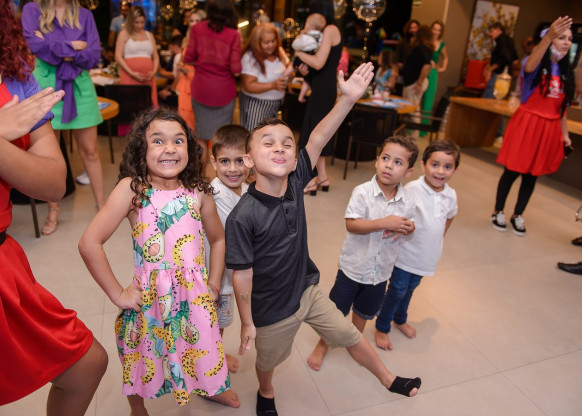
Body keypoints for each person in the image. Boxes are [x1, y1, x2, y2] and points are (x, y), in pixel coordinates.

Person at [225, 62, 421, 416]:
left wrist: (347, 100)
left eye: (287, 143)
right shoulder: (243, 216)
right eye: (268, 143)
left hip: (307, 289)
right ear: (248, 160)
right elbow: (241, 273)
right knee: (268, 361)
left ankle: (388, 378)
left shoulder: (296, 180)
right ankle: (266, 391)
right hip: (271, 308)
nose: (280, 147)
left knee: (348, 334)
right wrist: (248, 321)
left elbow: (316, 138)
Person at [78, 108, 240, 414]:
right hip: (149, 301)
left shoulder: (198, 192)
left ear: (190, 149)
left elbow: (219, 240)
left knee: (201, 351)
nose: (170, 148)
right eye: (158, 141)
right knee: (139, 355)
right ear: (141, 148)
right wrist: (118, 294)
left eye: (178, 141)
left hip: (193, 300)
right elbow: (89, 243)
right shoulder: (133, 190)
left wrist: (214, 283)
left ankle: (210, 387)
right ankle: (137, 407)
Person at [0, 0, 108, 410]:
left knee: (87, 363)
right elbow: (44, 45)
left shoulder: (16, 78)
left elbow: (52, 181)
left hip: (3, 258)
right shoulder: (34, 14)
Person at [307, 135, 418, 370]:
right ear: (377, 160)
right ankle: (323, 344)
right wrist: (384, 222)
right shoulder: (362, 192)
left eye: (398, 162)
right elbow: (352, 224)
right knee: (337, 312)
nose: (389, 165)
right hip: (353, 268)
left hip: (380, 272)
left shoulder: (408, 200)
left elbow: (410, 224)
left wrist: (409, 227)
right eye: (385, 158)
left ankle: (354, 342)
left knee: (364, 312)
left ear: (409, 172)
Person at [22, 0, 105, 235]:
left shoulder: (85, 15)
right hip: (46, 86)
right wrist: (74, 47)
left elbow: (93, 55)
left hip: (80, 86)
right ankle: (53, 210)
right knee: (50, 154)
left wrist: (53, 46)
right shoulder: (32, 10)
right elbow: (36, 47)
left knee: (90, 151)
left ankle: (102, 207)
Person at [491, 16, 574, 236]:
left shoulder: (565, 71)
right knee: (512, 171)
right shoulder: (535, 63)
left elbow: (562, 110)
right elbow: (529, 66)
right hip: (527, 125)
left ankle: (518, 214)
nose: (566, 42)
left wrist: (565, 135)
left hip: (549, 128)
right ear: (549, 39)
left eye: (569, 39)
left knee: (531, 176)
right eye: (561, 37)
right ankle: (498, 211)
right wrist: (548, 37)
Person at [375, 140, 460, 350]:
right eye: (435, 164)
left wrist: (439, 236)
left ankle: (400, 319)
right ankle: (382, 326)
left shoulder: (450, 195)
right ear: (423, 165)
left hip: (426, 256)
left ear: (455, 170)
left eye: (447, 167)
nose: (440, 171)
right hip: (405, 254)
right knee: (397, 290)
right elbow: (397, 214)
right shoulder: (412, 189)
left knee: (410, 289)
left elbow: (450, 216)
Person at [205, 124, 251, 373]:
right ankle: (212, 369)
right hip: (214, 280)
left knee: (218, 325)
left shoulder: (248, 192)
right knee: (211, 326)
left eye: (239, 160)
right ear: (214, 162)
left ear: (250, 160)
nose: (233, 169)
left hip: (230, 279)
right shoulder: (212, 195)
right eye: (225, 161)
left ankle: (216, 355)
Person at [183, 0, 242, 169]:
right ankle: (221, 181)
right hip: (223, 92)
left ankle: (200, 179)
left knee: (201, 138)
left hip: (201, 89)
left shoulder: (197, 29)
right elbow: (236, 70)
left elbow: (188, 57)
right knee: (221, 141)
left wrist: (203, 62)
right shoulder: (233, 35)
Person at [296, 0, 343, 195]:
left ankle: (310, 181)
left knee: (313, 135)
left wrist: (298, 53)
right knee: (319, 132)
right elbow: (316, 67)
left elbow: (318, 62)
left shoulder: (330, 29)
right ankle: (322, 178)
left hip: (323, 90)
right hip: (322, 87)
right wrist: (304, 70)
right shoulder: (327, 31)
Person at [240, 23, 292, 131]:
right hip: (256, 104)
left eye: (273, 41)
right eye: (266, 42)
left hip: (276, 104)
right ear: (257, 43)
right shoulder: (250, 57)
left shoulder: (279, 52)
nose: (271, 45)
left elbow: (289, 69)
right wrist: (273, 85)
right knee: (255, 134)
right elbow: (248, 85)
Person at [115, 5, 159, 108]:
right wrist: (132, 73)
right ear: (131, 21)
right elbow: (117, 56)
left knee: (148, 104)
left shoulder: (149, 35)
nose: (140, 25)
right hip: (129, 75)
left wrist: (153, 72)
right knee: (131, 105)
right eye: (137, 22)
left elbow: (156, 57)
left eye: (142, 22)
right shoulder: (124, 34)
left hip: (148, 77)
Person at [174, 9, 206, 130]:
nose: (194, 24)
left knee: (198, 121)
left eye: (197, 21)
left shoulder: (208, 41)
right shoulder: (186, 40)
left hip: (199, 82)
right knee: (184, 118)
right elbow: (183, 61)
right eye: (191, 21)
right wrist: (180, 66)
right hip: (185, 81)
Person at [401, 24, 434, 139]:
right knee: (408, 110)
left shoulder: (422, 48)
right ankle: (405, 137)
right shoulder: (426, 48)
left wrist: (419, 83)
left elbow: (427, 66)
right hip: (412, 82)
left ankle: (413, 139)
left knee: (413, 111)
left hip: (414, 83)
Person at [291, 13, 325, 103]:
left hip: (303, 58)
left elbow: (295, 45)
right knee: (307, 80)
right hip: (312, 61)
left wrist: (299, 37)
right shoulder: (322, 36)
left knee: (291, 66)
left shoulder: (306, 36)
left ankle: (284, 77)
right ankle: (301, 97)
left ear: (308, 25)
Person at [482, 22, 518, 99]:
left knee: (490, 96)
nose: (490, 34)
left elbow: (504, 58)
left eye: (491, 31)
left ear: (498, 30)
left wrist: (491, 69)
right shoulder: (509, 40)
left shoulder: (501, 39)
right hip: (506, 76)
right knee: (499, 96)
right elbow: (515, 60)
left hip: (499, 75)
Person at [420, 20, 448, 118]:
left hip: (432, 73)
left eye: (438, 30)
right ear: (431, 29)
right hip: (422, 70)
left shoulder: (441, 44)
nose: (436, 32)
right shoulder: (425, 41)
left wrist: (443, 68)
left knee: (428, 101)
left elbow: (445, 57)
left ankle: (423, 126)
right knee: (417, 98)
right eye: (434, 29)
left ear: (441, 32)